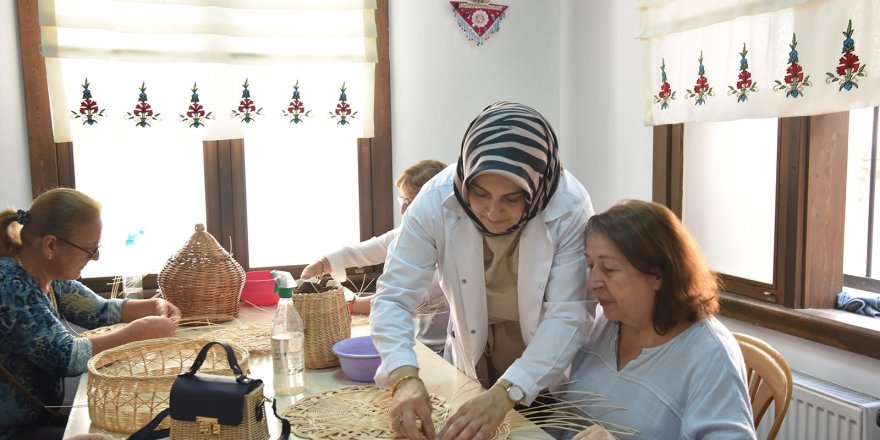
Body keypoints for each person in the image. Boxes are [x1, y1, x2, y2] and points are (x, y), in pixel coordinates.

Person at [369, 101, 596, 440]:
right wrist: (404, 376)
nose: (492, 212)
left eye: (512, 199)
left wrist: (508, 392)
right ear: (466, 179)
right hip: (473, 346)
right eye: (480, 194)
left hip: (542, 349)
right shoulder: (436, 200)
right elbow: (393, 298)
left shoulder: (569, 206)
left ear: (537, 189)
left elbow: (568, 315)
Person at [566, 199, 756, 439]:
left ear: (657, 275)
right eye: (590, 265)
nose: (593, 283)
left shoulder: (710, 355)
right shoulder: (604, 324)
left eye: (610, 269)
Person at [0, 188, 181, 439]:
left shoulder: (48, 273)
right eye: (89, 248)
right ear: (51, 244)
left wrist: (152, 306)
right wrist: (137, 333)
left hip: (39, 421)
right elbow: (65, 358)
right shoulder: (10, 285)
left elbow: (99, 311)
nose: (96, 257)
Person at [300, 159, 449, 352]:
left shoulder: (452, 243)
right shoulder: (410, 233)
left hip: (440, 351)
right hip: (418, 344)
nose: (403, 210)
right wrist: (318, 266)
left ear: (433, 202)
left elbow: (407, 296)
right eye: (402, 201)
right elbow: (359, 252)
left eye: (411, 202)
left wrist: (345, 305)